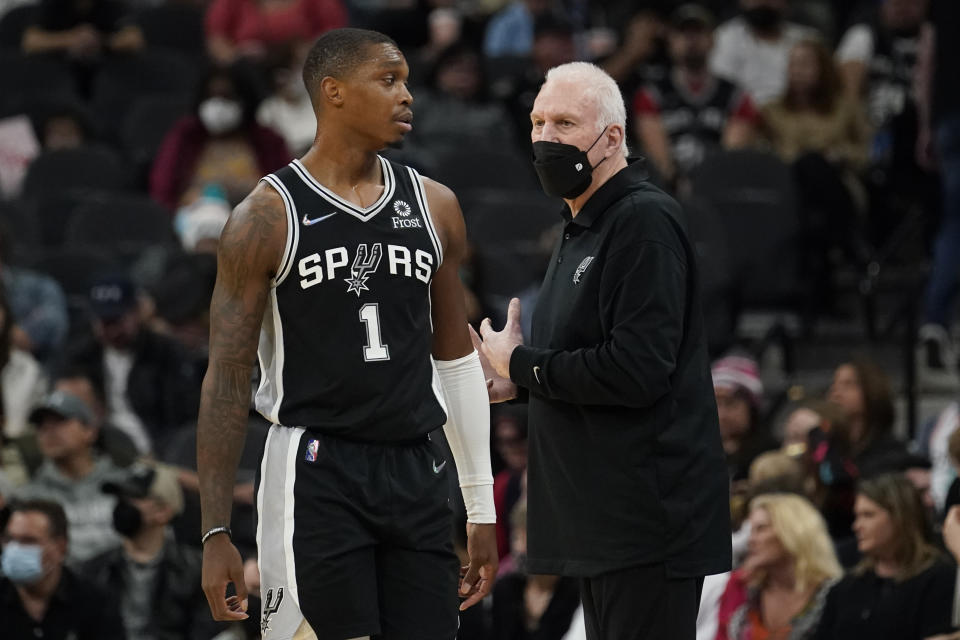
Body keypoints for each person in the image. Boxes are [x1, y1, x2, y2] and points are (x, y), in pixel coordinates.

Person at [196, 28, 498, 638]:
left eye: (407, 81)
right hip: (315, 467)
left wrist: (481, 504)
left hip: (416, 466)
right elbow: (227, 380)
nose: (407, 96)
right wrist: (215, 530)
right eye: (388, 81)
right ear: (332, 93)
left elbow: (457, 360)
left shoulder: (436, 205)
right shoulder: (264, 216)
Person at [474, 61, 731, 639]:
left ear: (612, 136)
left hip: (645, 523)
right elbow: (592, 365)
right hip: (600, 522)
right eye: (538, 122)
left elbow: (637, 370)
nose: (544, 137)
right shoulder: (582, 225)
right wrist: (519, 385)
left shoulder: (642, 220)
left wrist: (521, 363)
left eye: (564, 123)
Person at [82, 462, 225, 640]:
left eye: (133, 497)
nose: (122, 505)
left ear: (163, 511)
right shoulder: (91, 570)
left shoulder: (200, 571)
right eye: (120, 497)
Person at [64, 275, 201, 456]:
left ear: (136, 313)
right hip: (100, 454)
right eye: (105, 323)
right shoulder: (82, 356)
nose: (112, 331)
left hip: (157, 453)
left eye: (118, 321)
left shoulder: (165, 353)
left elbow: (183, 419)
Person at [813, 473, 956, 639]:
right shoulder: (846, 587)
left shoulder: (940, 578)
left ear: (900, 517)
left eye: (868, 515)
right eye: (857, 516)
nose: (857, 526)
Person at [633, 3, 758, 186]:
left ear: (713, 40)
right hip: (668, 190)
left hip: (720, 189)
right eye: (683, 32)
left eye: (698, 32)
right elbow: (660, 163)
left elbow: (731, 159)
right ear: (670, 40)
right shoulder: (650, 95)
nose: (691, 39)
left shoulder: (737, 97)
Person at [150, 64, 291, 209]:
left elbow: (288, 189)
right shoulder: (186, 136)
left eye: (227, 97)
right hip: (194, 218)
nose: (217, 105)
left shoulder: (267, 140)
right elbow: (163, 189)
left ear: (244, 101)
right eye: (211, 97)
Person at [14, 390, 128, 565]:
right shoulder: (28, 498)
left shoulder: (125, 484)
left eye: (60, 421)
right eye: (41, 426)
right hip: (62, 587)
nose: (49, 431)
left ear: (89, 431)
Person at [716, 493, 841, 640]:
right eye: (751, 531)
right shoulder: (741, 585)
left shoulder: (834, 593)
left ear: (793, 532)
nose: (750, 540)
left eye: (761, 529)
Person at [0, 498, 126, 639]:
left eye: (29, 541)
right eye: (8, 539)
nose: (15, 549)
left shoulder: (95, 603)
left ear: (60, 547)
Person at [916, 0, 960, 383]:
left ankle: (934, 320)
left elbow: (926, 61)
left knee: (954, 224)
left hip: (950, 118)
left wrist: (926, 125)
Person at [709, 0, 814, 105]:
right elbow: (723, 92)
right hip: (744, 115)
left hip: (797, 113)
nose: (763, 3)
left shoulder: (807, 40)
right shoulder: (725, 38)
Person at [827, 358, 907, 475]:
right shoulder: (829, 446)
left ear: (871, 392)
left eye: (848, 384)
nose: (836, 392)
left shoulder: (890, 455)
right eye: (834, 384)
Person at [204, 0, 346, 66]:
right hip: (248, 75)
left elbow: (334, 35)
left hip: (302, 72)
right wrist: (237, 56)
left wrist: (309, 52)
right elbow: (217, 39)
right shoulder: (230, 3)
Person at [711, 353, 777, 482]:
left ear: (752, 408)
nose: (721, 414)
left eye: (730, 403)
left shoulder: (770, 457)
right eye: (715, 404)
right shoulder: (698, 457)